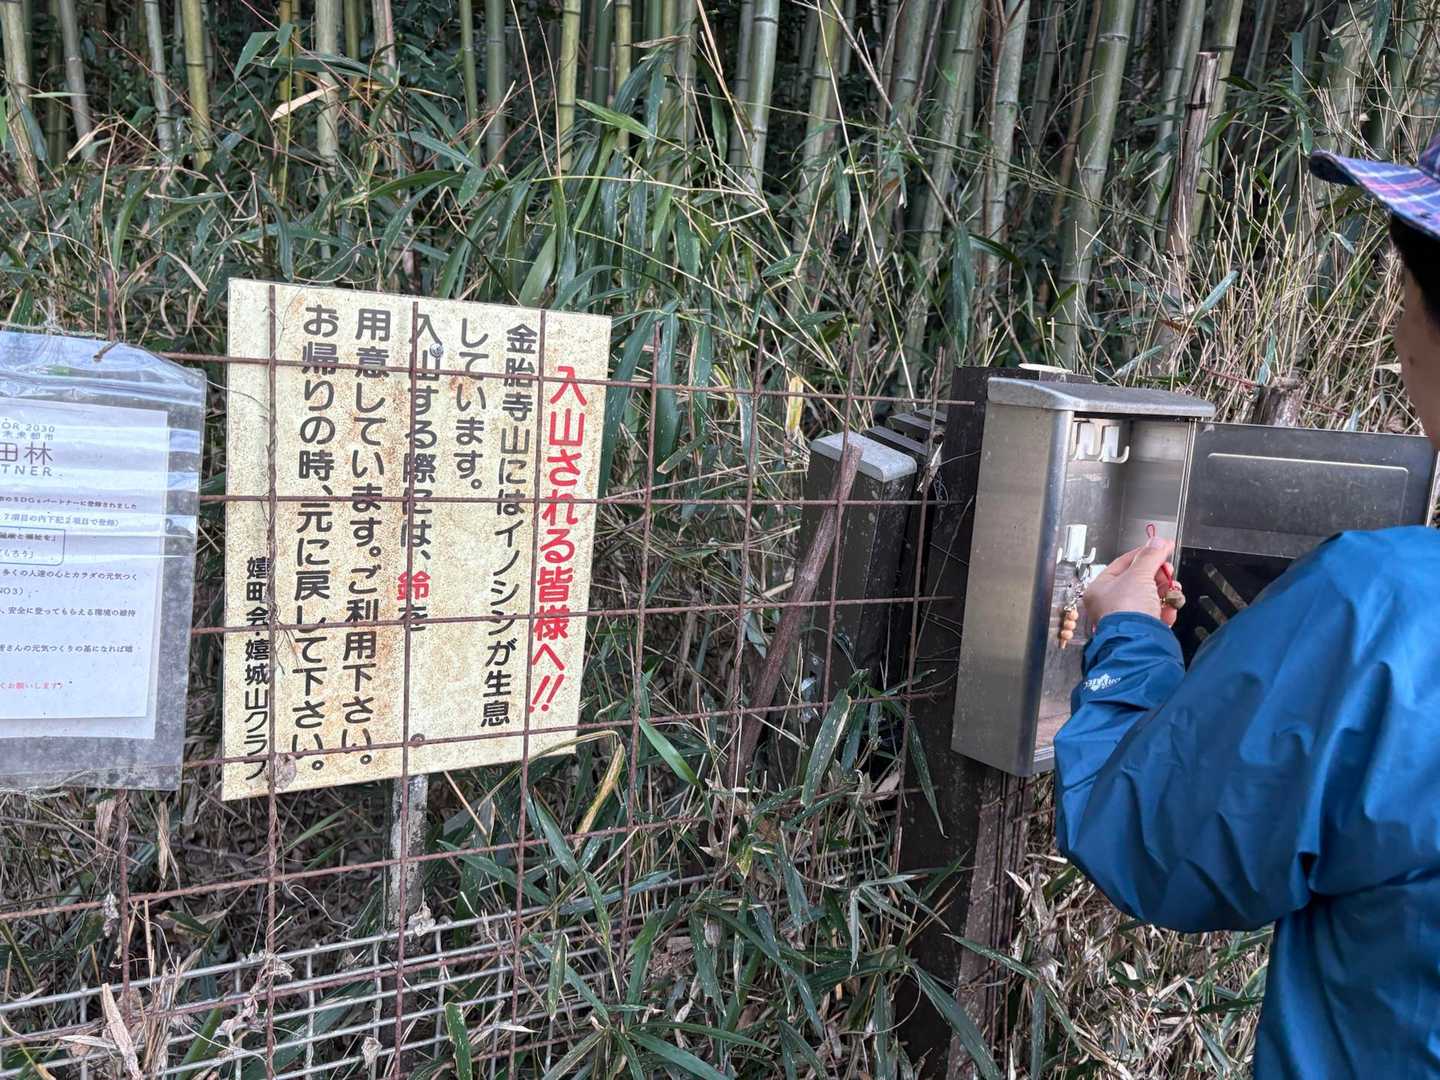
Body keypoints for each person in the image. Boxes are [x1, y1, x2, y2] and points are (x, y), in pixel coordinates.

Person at [1053, 132, 1440, 1078]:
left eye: (1405, 297)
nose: (1397, 335)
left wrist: (1128, 640)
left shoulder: (1381, 613)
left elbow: (1151, 838)